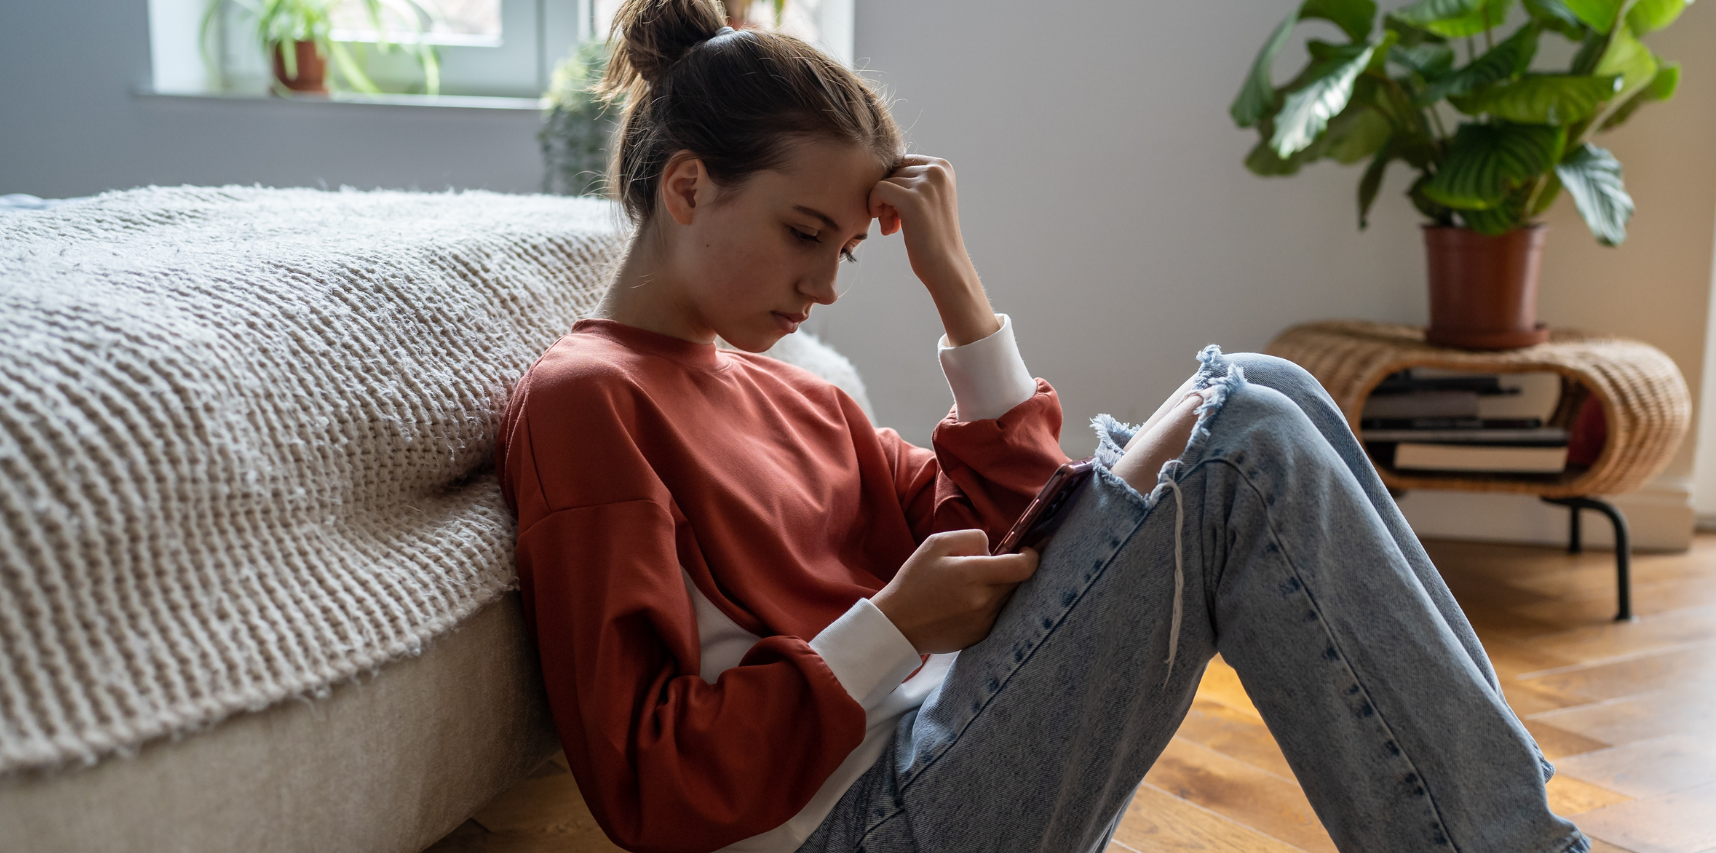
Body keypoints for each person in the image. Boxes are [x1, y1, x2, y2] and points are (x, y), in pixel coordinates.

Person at [494, 1, 1590, 851]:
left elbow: (1019, 526)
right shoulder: (589, 399)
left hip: (937, 754)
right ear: (686, 187)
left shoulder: (797, 394)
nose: (824, 285)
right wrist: (892, 625)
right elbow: (646, 777)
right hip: (849, 827)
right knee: (1243, 438)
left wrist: (959, 292)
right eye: (802, 233)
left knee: (1260, 388)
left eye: (846, 250)